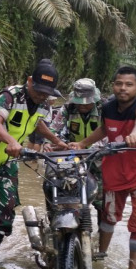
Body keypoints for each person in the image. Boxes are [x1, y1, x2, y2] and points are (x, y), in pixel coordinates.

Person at [0, 59, 67, 260]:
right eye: (38, 91)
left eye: (46, 93)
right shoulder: (9, 96)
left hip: (9, 161)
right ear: (29, 81)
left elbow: (38, 124)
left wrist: (56, 140)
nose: (41, 96)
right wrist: (12, 141)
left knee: (8, 205)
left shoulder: (44, 105)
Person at [68, 66, 136, 269]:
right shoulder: (107, 108)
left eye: (128, 84)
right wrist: (82, 143)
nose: (123, 88)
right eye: (119, 84)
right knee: (108, 217)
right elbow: (104, 129)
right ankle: (101, 254)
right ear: (112, 86)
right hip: (114, 173)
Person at [49, 78, 106, 220]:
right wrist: (52, 142)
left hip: (99, 157)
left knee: (102, 202)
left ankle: (101, 230)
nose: (82, 106)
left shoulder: (104, 108)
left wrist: (92, 148)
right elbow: (54, 128)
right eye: (79, 102)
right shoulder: (68, 108)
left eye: (86, 103)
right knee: (62, 188)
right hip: (74, 156)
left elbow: (110, 132)